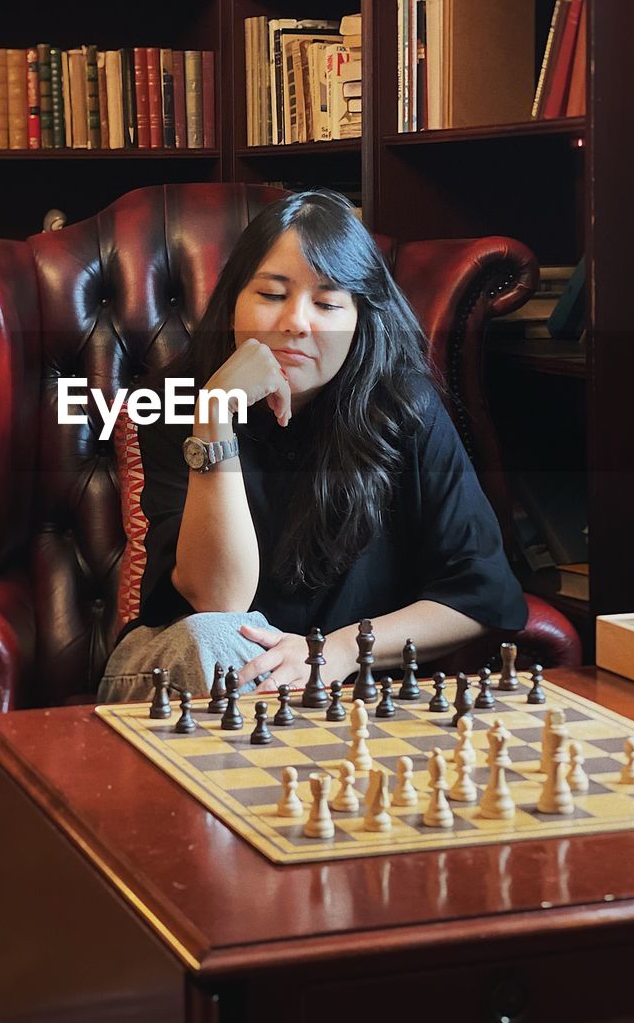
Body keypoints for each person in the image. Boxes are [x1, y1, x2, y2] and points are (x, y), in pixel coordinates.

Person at [97, 190, 527, 704]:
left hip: (332, 689)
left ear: (361, 317)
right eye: (273, 295)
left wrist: (340, 651)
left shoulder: (403, 407)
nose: (296, 323)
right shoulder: (175, 401)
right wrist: (215, 418)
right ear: (233, 299)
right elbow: (220, 600)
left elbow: (482, 595)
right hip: (177, 670)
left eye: (326, 303)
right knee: (219, 642)